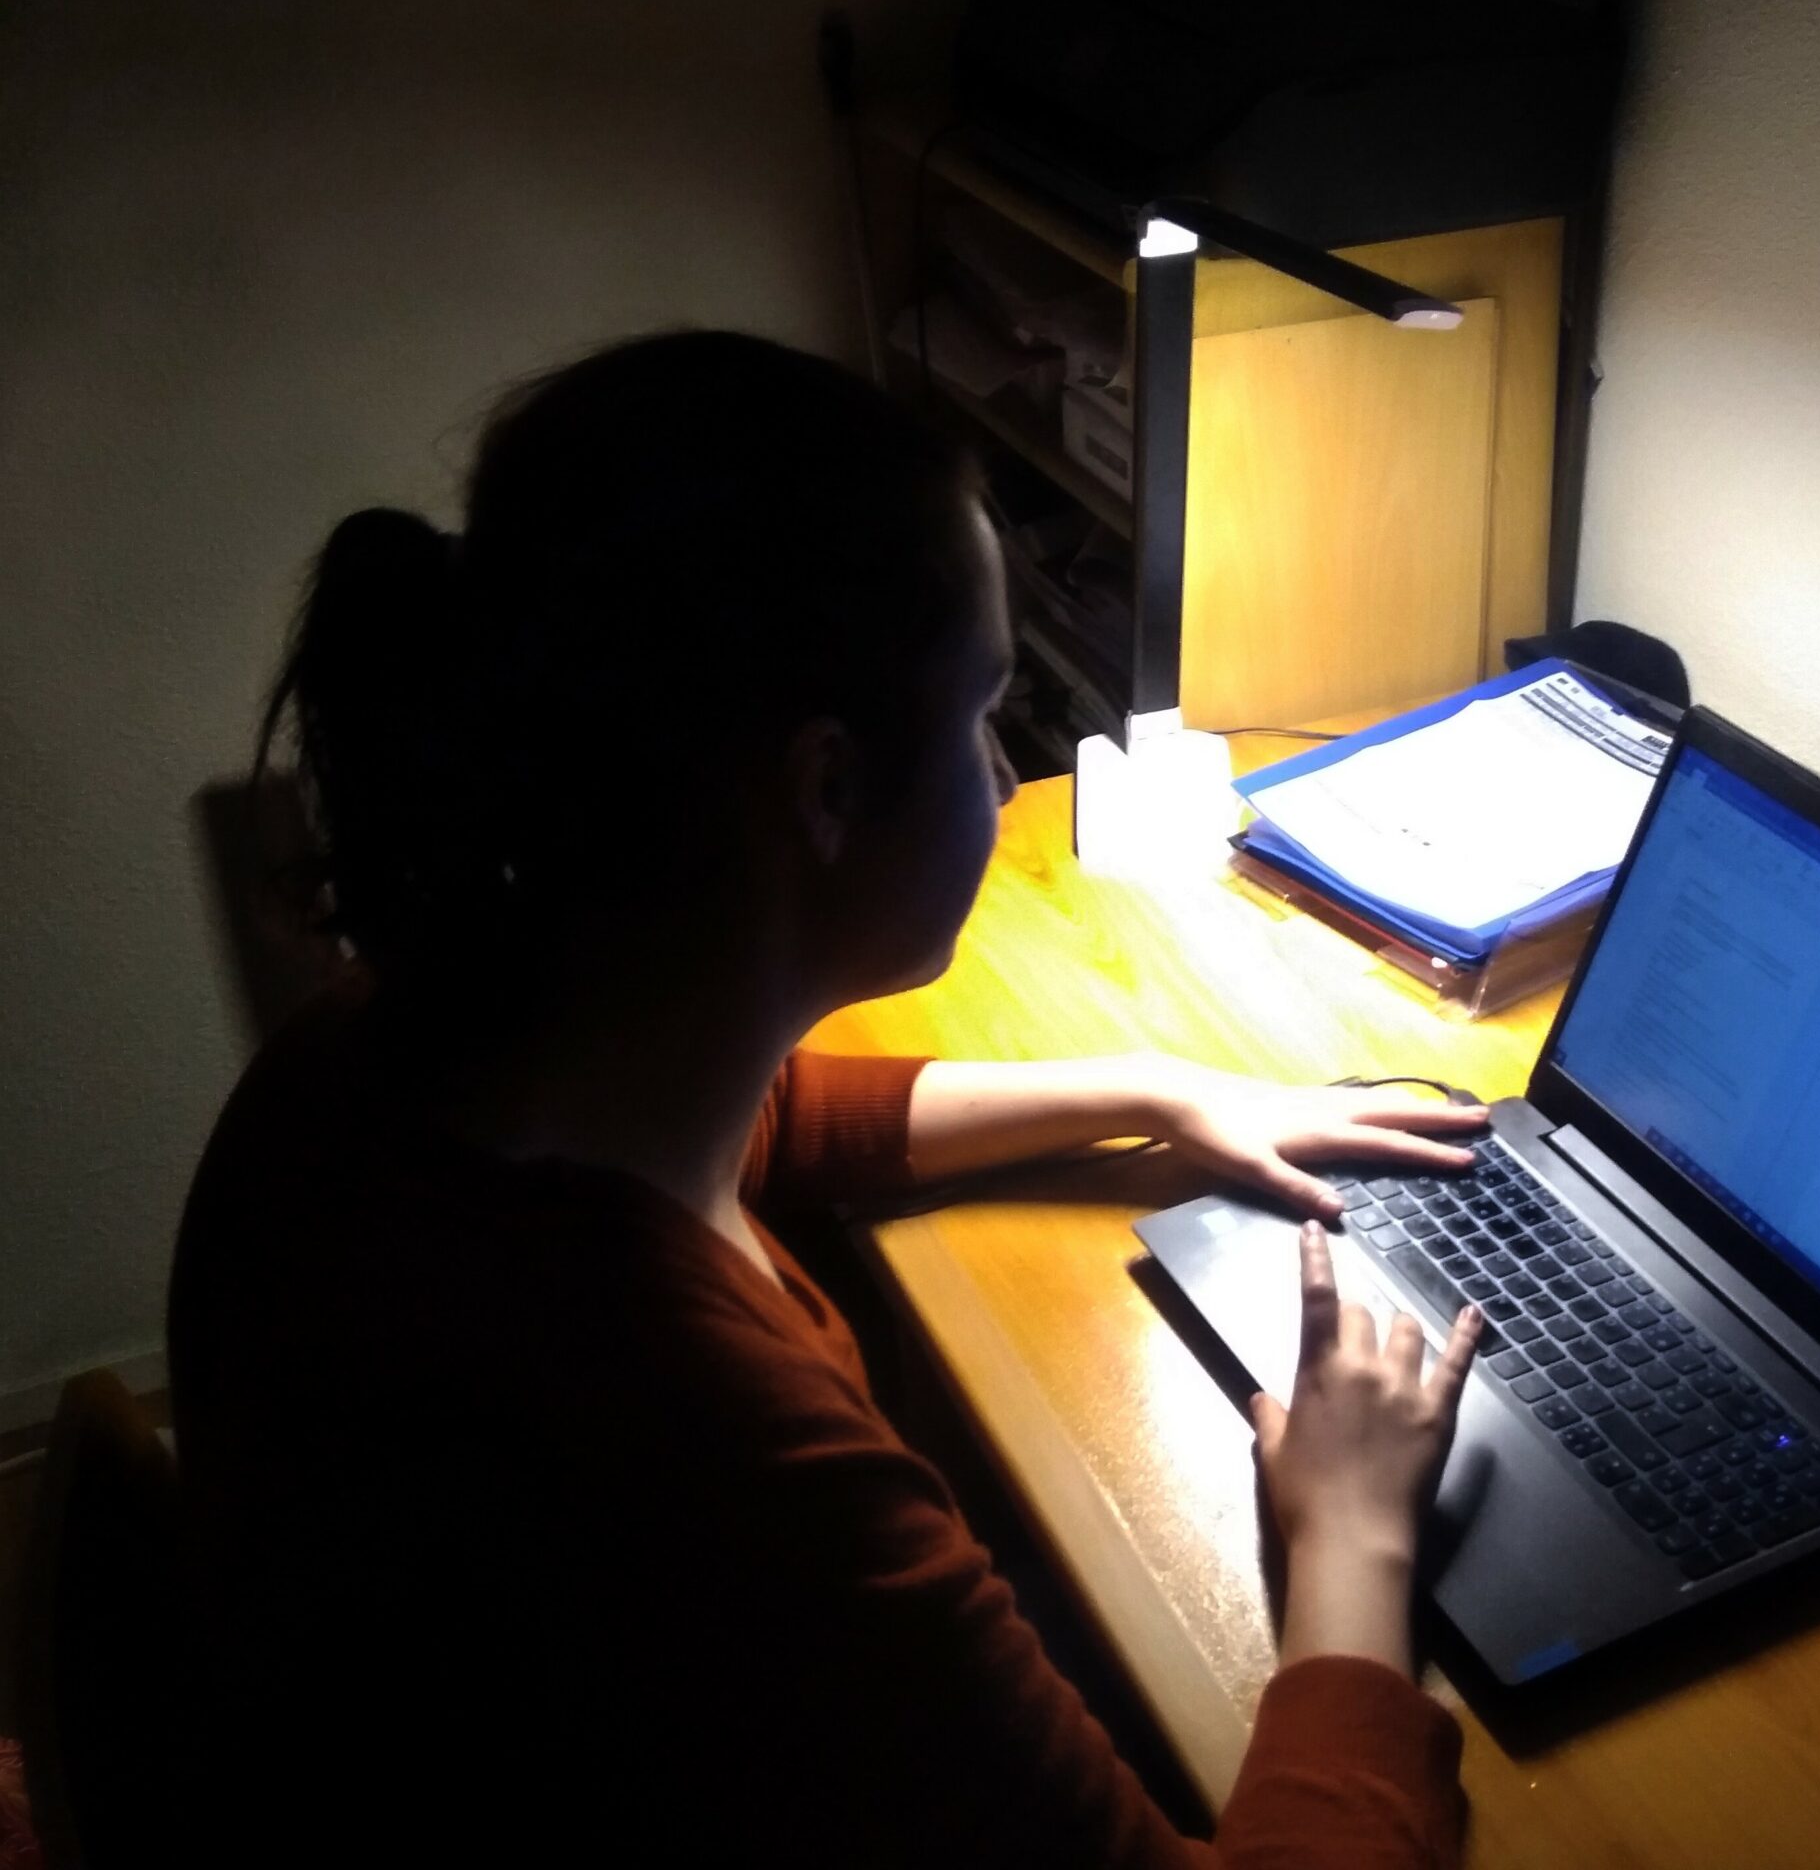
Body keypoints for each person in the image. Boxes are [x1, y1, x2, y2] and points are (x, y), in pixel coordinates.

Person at [167, 331, 1488, 1866]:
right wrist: (1352, 1536)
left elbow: (765, 1124)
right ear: (827, 792)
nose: (1004, 784)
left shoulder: (403, 1054)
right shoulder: (713, 1458)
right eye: (986, 711)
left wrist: (1153, 1089)